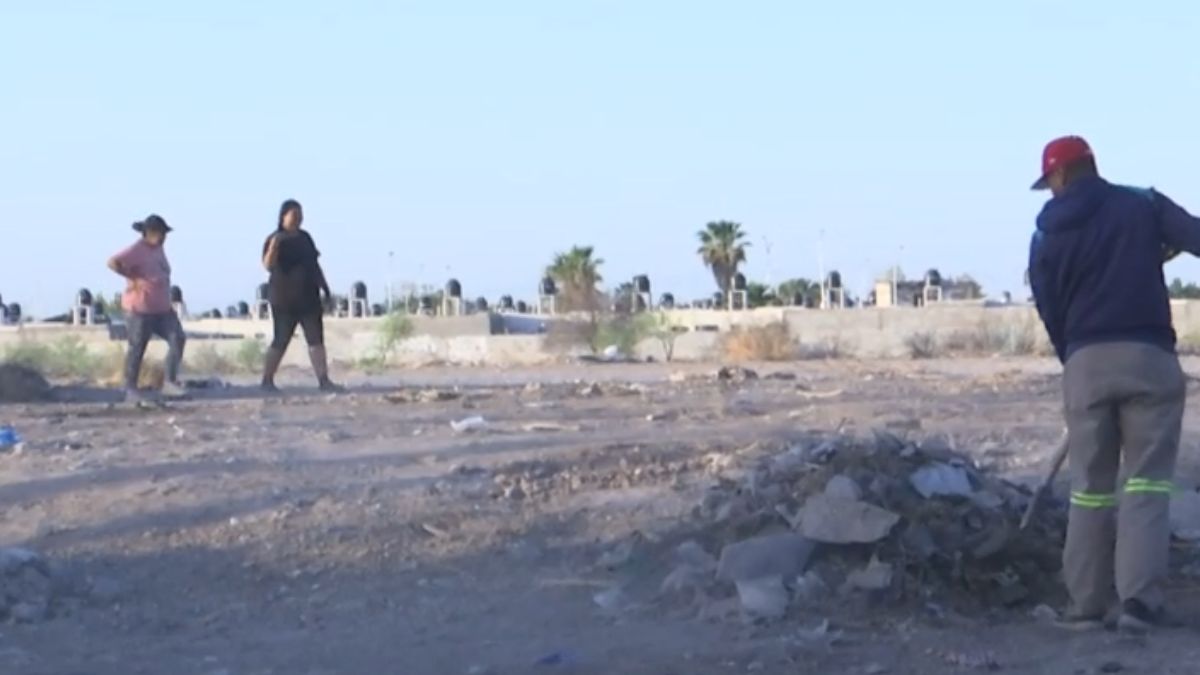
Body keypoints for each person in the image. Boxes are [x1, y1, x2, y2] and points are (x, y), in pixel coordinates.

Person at [1028, 135, 1200, 633]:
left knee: (1090, 489)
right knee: (1145, 484)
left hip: (1085, 363)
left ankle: (1084, 605)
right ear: (1093, 166)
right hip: (1149, 358)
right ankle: (1139, 605)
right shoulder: (1142, 204)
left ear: (1060, 177)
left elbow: (1048, 306)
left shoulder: (1045, 235)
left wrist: (1076, 357)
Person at [260, 199, 340, 392]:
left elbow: (315, 265)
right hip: (284, 300)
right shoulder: (274, 238)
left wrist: (326, 289)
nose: (298, 219)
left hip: (309, 298)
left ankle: (323, 380)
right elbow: (267, 266)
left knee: (316, 340)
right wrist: (274, 247)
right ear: (283, 216)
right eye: (294, 215)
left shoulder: (305, 238)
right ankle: (267, 380)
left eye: (300, 216)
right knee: (280, 340)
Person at [107, 215, 187, 401]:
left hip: (162, 308)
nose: (164, 237)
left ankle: (169, 382)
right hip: (139, 309)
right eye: (161, 233)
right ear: (149, 233)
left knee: (178, 338)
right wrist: (131, 276)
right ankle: (130, 388)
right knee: (137, 347)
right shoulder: (137, 249)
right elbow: (112, 262)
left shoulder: (159, 250)